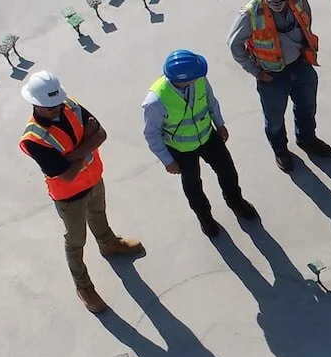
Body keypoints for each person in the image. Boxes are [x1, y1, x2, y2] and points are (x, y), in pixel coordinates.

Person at [18, 70, 142, 313]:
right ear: (35, 103)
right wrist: (87, 143)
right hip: (69, 195)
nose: (57, 109)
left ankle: (108, 244)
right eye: (50, 106)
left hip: (94, 178)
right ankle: (83, 286)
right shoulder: (33, 139)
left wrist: (72, 156)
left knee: (99, 214)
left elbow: (102, 134)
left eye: (57, 103)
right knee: (76, 241)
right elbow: (66, 175)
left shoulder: (69, 105)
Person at [230, 0, 331, 172]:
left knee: (307, 108)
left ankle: (307, 140)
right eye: (273, 0)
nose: (279, 4)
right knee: (275, 120)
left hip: (301, 66)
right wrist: (257, 72)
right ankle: (280, 151)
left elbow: (307, 17)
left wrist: (306, 50)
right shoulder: (249, 14)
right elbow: (234, 45)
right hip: (272, 77)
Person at [142, 49, 260, 236]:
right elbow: (151, 134)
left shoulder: (199, 80)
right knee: (193, 186)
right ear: (183, 78)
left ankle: (236, 201)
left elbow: (211, 102)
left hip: (208, 137)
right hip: (182, 149)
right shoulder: (155, 101)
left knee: (227, 171)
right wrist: (167, 160)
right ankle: (205, 218)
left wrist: (219, 124)